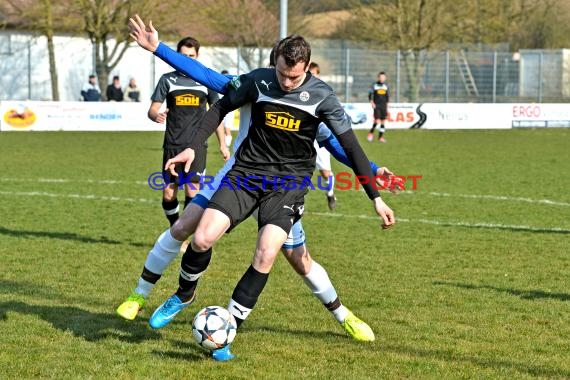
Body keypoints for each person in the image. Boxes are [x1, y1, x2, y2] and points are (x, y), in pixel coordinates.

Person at [154, 34, 395, 358]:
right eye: (281, 73)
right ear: (273, 64)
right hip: (242, 177)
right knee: (194, 232)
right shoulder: (254, 83)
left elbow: (341, 144)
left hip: (283, 188)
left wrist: (374, 181)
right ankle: (181, 295)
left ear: (306, 68)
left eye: (293, 76)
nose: (285, 81)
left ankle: (343, 314)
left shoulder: (316, 100)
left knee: (298, 259)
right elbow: (204, 75)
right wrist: (157, 48)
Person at [148, 36, 228, 227]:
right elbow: (152, 109)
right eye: (183, 56)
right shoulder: (167, 80)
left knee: (192, 192)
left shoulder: (206, 80)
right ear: (177, 56)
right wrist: (156, 116)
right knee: (168, 193)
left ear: (197, 56)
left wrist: (223, 144)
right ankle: (174, 227)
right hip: (173, 143)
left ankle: (181, 237)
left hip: (196, 145)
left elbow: (216, 114)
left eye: (191, 56)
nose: (188, 59)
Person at [309, 62, 336, 210]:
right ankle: (295, 203)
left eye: (315, 73)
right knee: (299, 171)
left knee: (325, 173)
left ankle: (330, 193)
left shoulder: (324, 92)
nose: (313, 76)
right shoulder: (300, 90)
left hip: (320, 138)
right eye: (310, 73)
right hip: (304, 138)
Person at [367, 71, 389, 143]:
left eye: (383, 77)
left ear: (385, 78)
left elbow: (387, 96)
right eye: (381, 77)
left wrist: (387, 105)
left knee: (383, 122)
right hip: (377, 105)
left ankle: (380, 137)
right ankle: (371, 133)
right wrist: (372, 102)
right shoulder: (374, 85)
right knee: (377, 121)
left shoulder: (386, 86)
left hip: (384, 105)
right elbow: (370, 94)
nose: (382, 78)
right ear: (378, 77)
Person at [220, 70, 235, 149]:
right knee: (222, 128)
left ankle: (227, 147)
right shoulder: (219, 87)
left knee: (227, 129)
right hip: (222, 109)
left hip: (230, 111)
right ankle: (224, 146)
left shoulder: (231, 86)